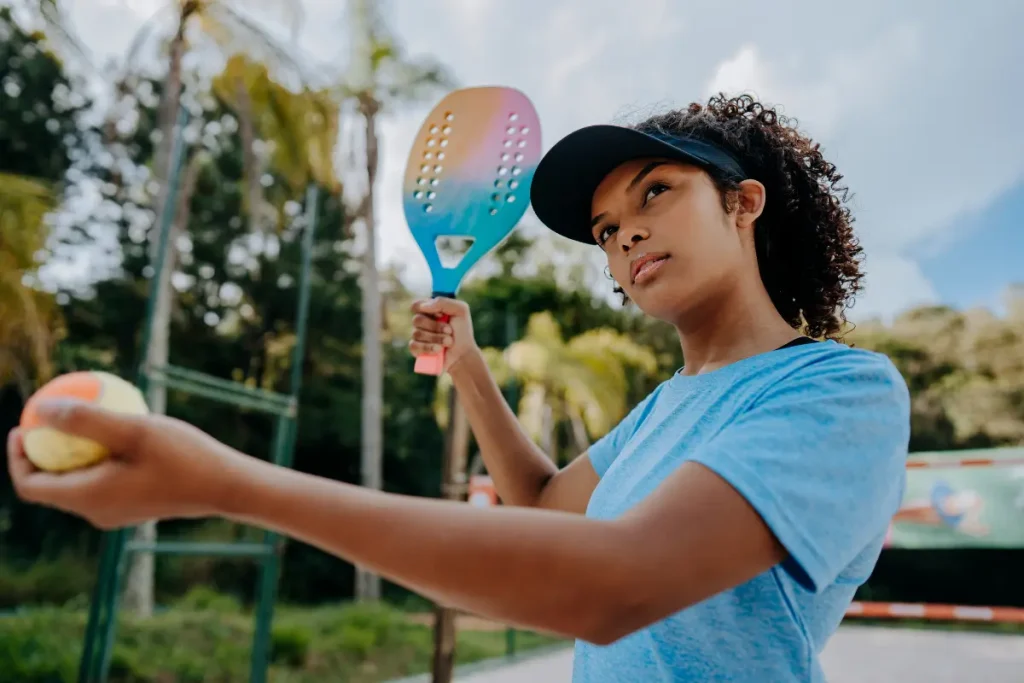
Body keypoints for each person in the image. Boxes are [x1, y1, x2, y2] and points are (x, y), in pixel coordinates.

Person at [7, 94, 910, 682]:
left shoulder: (842, 392)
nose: (624, 238)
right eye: (603, 230)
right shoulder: (664, 410)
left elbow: (615, 584)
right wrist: (470, 367)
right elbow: (547, 513)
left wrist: (223, 482)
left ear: (742, 203)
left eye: (655, 194)